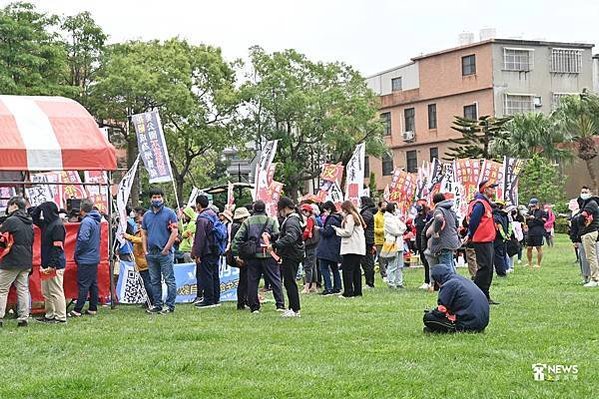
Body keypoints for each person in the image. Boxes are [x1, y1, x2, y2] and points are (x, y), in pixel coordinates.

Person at [231, 200, 285, 313]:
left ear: (253, 209)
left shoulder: (248, 222)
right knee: (275, 280)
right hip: (269, 255)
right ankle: (280, 304)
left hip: (253, 256)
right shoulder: (271, 221)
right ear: (264, 209)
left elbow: (237, 239)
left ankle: (254, 307)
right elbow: (277, 236)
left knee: (252, 282)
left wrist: (236, 254)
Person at [142, 187, 179, 314]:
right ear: (150, 199)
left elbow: (175, 232)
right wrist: (145, 250)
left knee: (169, 280)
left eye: (159, 197)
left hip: (165, 253)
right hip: (151, 253)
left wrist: (166, 249)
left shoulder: (170, 213)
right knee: (154, 281)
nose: (157, 199)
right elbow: (144, 234)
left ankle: (170, 305)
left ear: (163, 198)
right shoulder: (147, 215)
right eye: (154, 197)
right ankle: (157, 304)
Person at [423, 264, 490, 334]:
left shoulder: (448, 285)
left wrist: (432, 312)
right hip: (482, 323)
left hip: (469, 323)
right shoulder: (463, 279)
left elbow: (441, 311)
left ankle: (453, 328)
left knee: (428, 318)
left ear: (437, 280)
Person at [31, 201, 67, 324]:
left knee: (56, 291)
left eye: (43, 211)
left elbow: (57, 248)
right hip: (46, 263)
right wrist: (39, 207)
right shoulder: (47, 224)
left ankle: (61, 317)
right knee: (46, 292)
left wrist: (52, 265)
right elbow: (33, 218)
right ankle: (50, 314)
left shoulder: (57, 226)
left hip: (55, 264)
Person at [0, 196, 33, 328]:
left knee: (2, 289)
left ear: (14, 205)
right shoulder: (29, 221)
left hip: (11, 260)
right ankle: (24, 318)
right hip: (26, 260)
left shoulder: (11, 220)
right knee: (23, 289)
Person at [270, 197, 304, 317]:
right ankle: (293, 307)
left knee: (290, 282)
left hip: (291, 254)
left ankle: (294, 309)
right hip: (293, 253)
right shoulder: (293, 219)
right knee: (289, 282)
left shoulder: (291, 221)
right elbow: (285, 234)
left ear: (284, 208)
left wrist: (275, 244)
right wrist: (273, 236)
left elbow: (291, 237)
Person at [466, 180, 499, 305]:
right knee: (484, 269)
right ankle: (477, 295)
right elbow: (473, 221)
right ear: (485, 189)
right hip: (481, 241)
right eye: (492, 187)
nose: (494, 190)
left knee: (489, 269)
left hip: (488, 240)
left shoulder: (486, 203)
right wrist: (470, 235)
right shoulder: (479, 204)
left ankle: (485, 295)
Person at [69, 199, 102, 317]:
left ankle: (78, 309)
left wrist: (77, 253)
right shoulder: (96, 221)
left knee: (83, 284)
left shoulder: (87, 222)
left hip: (85, 257)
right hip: (94, 257)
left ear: (81, 210)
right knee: (93, 284)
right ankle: (93, 307)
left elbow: (83, 239)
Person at [192, 195, 222, 308]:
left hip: (207, 250)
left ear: (198, 204)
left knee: (207, 275)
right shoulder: (214, 214)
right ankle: (216, 298)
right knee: (215, 274)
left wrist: (197, 254)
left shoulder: (202, 218)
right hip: (216, 248)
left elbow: (200, 238)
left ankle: (208, 299)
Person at [333, 200, 366, 298]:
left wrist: (337, 230)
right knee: (356, 270)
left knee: (347, 270)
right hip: (358, 247)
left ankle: (348, 292)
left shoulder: (350, 217)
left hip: (351, 247)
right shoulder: (357, 216)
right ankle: (357, 291)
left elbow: (348, 232)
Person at [124, 208, 154, 307]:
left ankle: (152, 301)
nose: (134, 215)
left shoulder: (146, 228)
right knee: (146, 282)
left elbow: (143, 240)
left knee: (147, 282)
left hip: (144, 260)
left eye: (136, 213)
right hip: (141, 261)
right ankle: (149, 300)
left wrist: (129, 237)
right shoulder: (140, 227)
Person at [316, 201, 343, 296]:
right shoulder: (338, 218)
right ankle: (337, 286)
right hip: (335, 247)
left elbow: (327, 232)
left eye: (324, 211)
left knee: (324, 268)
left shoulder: (331, 219)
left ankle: (328, 287)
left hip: (327, 248)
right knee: (334, 268)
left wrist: (319, 229)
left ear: (329, 209)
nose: (324, 213)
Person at [429, 193, 460, 269]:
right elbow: (457, 223)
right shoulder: (450, 209)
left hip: (444, 241)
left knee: (446, 265)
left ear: (434, 202)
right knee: (451, 263)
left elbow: (439, 219)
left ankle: (450, 280)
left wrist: (436, 231)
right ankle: (455, 279)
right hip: (453, 240)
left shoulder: (439, 210)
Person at [381, 202, 406, 289]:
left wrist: (400, 231)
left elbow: (403, 227)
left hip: (399, 243)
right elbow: (395, 231)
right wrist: (400, 231)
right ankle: (391, 281)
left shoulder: (395, 218)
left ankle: (399, 281)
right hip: (392, 243)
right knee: (392, 264)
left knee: (400, 265)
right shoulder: (387, 219)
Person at [578, 186, 599, 287]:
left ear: (590, 193)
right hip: (587, 233)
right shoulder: (586, 203)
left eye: (585, 192)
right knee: (590, 256)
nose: (583, 193)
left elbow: (581, 218)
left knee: (591, 257)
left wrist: (581, 220)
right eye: (582, 192)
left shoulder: (591, 204)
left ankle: (595, 279)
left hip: (589, 233)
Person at [230, 207, 250, 309]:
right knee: (244, 280)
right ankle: (242, 302)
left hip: (240, 255)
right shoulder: (238, 227)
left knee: (244, 279)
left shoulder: (235, 226)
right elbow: (236, 243)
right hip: (241, 256)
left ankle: (243, 301)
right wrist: (237, 256)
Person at [300, 203, 319, 294]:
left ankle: (307, 287)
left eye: (304, 211)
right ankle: (314, 286)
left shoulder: (310, 219)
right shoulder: (314, 218)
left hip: (310, 244)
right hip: (314, 244)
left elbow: (307, 232)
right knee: (313, 266)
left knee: (308, 266)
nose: (303, 213)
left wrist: (301, 239)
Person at [359, 196, 377, 288]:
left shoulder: (366, 213)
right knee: (367, 260)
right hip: (368, 239)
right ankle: (369, 281)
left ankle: (369, 281)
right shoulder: (368, 212)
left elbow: (363, 224)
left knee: (367, 261)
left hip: (366, 239)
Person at [525, 198, 547, 269]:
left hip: (538, 232)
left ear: (537, 205)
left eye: (533, 206)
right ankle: (529, 263)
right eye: (531, 206)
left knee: (538, 247)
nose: (532, 208)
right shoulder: (529, 212)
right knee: (529, 248)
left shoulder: (542, 212)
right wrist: (532, 221)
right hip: (530, 232)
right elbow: (528, 223)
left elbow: (542, 222)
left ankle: (538, 263)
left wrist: (535, 219)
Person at [414, 203, 432, 289]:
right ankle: (427, 280)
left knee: (427, 261)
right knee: (424, 261)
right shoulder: (417, 218)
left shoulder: (428, 217)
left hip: (426, 241)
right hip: (419, 241)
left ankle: (428, 280)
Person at [492, 201, 510, 277]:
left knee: (498, 256)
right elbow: (509, 225)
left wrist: (502, 236)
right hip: (504, 238)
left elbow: (499, 227)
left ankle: (501, 273)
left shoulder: (496, 216)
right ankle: (505, 269)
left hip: (498, 238)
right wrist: (507, 235)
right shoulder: (505, 215)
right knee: (503, 254)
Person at [374, 201, 387, 279]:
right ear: (379, 207)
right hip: (379, 240)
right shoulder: (376, 217)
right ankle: (384, 274)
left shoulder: (387, 216)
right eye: (383, 206)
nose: (385, 207)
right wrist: (384, 230)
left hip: (388, 240)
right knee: (381, 258)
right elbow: (374, 229)